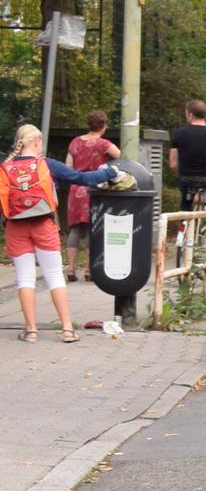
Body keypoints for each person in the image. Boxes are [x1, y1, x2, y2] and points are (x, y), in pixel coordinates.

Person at [7, 124, 130, 344]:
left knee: (24, 278)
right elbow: (80, 178)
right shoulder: (47, 165)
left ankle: (31, 331)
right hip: (43, 225)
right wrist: (109, 172)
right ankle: (66, 330)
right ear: (37, 141)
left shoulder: (5, 169)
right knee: (54, 275)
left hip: (15, 227)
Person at [62, 111, 120, 236]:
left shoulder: (75, 142)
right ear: (104, 126)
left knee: (75, 229)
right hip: (95, 187)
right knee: (93, 227)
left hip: (76, 187)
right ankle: (91, 255)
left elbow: (68, 167)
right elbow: (120, 157)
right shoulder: (104, 144)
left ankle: (71, 257)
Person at [168, 99, 206, 211]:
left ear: (190, 114)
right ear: (205, 115)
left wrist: (183, 175)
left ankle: (185, 224)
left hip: (187, 180)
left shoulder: (179, 134)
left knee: (186, 207)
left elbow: (173, 164)